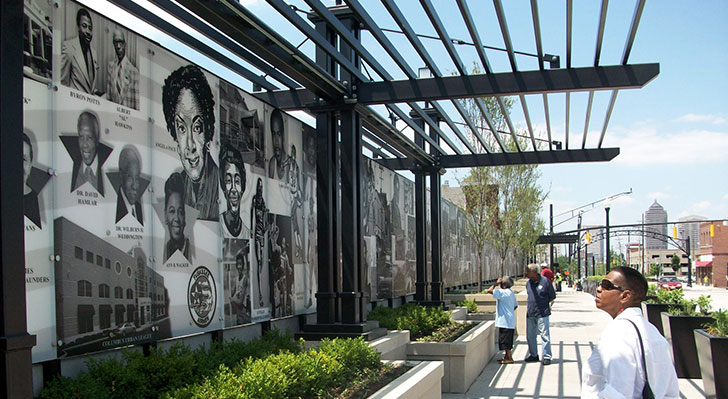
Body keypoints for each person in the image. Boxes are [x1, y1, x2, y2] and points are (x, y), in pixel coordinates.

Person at [581, 266, 679, 399]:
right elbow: (671, 392)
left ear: (625, 296)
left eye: (606, 285)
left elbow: (618, 393)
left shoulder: (618, 333)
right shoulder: (652, 331)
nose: (599, 289)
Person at [162, 64, 219, 221]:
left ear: (207, 131)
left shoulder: (220, 184)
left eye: (197, 128)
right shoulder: (175, 188)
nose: (190, 145)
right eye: (181, 128)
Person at [60, 8, 101, 95]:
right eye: (84, 26)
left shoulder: (94, 53)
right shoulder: (69, 47)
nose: (88, 32)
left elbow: (89, 86)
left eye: (90, 28)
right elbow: (63, 83)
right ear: (78, 27)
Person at [525, 262, 556, 365]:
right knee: (531, 336)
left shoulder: (545, 281)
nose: (526, 273)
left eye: (528, 271)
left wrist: (544, 304)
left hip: (542, 313)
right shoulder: (528, 283)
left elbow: (552, 296)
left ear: (534, 272)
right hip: (531, 313)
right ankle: (534, 354)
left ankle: (547, 356)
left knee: (544, 335)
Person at [71, 111, 106, 194]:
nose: (84, 145)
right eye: (81, 137)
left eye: (89, 137)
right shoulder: (71, 167)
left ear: (97, 140)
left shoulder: (106, 169)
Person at [487, 276, 518, 364]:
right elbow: (515, 306)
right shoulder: (511, 293)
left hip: (505, 321)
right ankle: (506, 356)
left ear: (503, 285)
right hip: (509, 320)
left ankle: (509, 358)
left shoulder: (503, 293)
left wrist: (495, 284)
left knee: (505, 341)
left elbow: (489, 290)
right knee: (506, 340)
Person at [219, 146, 249, 238]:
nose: (233, 189)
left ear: (242, 187)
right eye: (228, 180)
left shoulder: (247, 233)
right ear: (223, 187)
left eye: (237, 181)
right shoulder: (218, 226)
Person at [106, 29, 138, 109]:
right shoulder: (110, 67)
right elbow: (109, 98)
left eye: (120, 42)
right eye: (116, 42)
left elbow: (137, 106)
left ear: (125, 44)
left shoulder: (134, 72)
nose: (118, 46)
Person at [163, 172, 190, 262]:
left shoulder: (190, 250)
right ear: (165, 215)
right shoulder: (164, 252)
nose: (177, 218)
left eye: (181, 212)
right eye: (172, 211)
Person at [250, 177, 268, 307]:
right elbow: (252, 216)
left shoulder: (263, 203)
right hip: (256, 234)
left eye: (261, 187)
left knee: (261, 264)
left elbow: (266, 223)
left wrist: (267, 227)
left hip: (262, 235)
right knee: (259, 262)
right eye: (259, 187)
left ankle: (261, 294)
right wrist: (251, 229)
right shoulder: (255, 200)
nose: (260, 189)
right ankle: (260, 294)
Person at [115, 145, 144, 224]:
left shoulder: (139, 209)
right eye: (130, 177)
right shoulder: (115, 208)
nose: (134, 186)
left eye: (137, 178)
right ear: (121, 176)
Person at [229, 245, 251, 325]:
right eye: (237, 264)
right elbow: (231, 293)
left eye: (240, 264)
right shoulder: (236, 279)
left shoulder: (245, 279)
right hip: (238, 312)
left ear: (243, 265)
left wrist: (232, 299)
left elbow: (240, 301)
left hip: (243, 311)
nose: (239, 266)